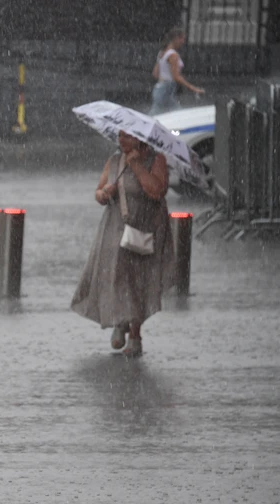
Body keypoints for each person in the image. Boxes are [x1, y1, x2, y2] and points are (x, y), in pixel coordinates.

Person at [71, 131, 175, 358]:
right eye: (119, 137)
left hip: (144, 227)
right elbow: (98, 192)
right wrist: (103, 193)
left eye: (127, 137)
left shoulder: (156, 161)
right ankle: (120, 321)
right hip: (115, 228)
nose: (121, 141)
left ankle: (135, 334)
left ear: (140, 139)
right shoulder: (114, 160)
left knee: (138, 279)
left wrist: (137, 166)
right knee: (117, 276)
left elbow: (157, 191)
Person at [149, 27, 204, 115]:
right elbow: (176, 76)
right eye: (182, 39)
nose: (183, 42)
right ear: (176, 39)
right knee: (177, 115)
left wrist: (164, 79)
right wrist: (193, 88)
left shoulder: (162, 53)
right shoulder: (173, 55)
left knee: (158, 116)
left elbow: (155, 74)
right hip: (167, 90)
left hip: (159, 89)